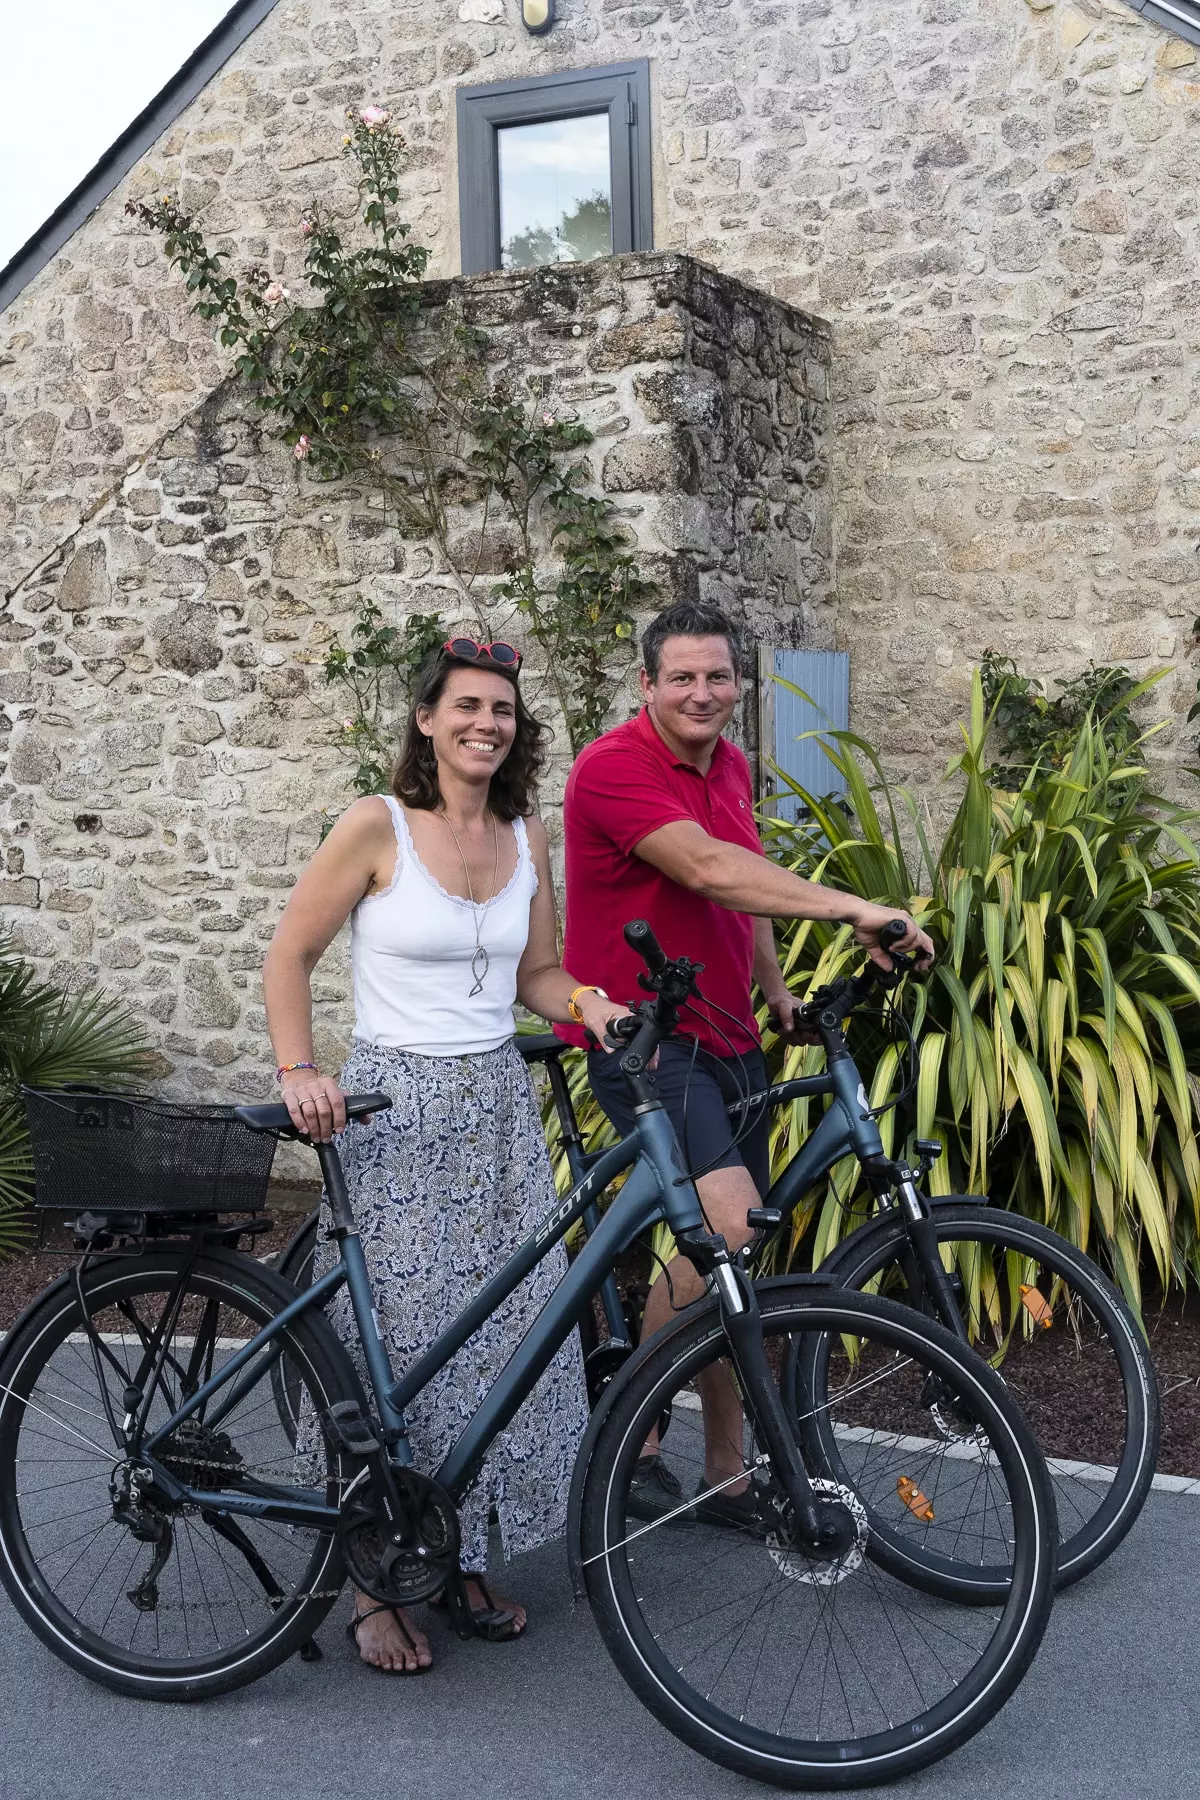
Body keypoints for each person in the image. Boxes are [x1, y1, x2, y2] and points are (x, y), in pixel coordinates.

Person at [263, 638, 627, 1675]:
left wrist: (590, 1003)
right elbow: (290, 952)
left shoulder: (525, 833)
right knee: (403, 1344)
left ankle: (460, 1553)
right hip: (396, 1109)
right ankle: (374, 1585)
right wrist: (299, 1069)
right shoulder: (375, 825)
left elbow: (538, 973)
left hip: (498, 1112)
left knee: (506, 1338)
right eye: (467, 705)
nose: (486, 723)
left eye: (502, 709)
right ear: (427, 719)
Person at [557, 602, 935, 1525]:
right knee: (726, 1232)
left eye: (718, 676)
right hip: (650, 1044)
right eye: (682, 677)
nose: (703, 693)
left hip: (731, 1039)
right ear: (647, 685)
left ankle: (725, 1474)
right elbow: (706, 869)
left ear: (739, 683)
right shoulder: (612, 767)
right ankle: (632, 1439)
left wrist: (775, 994)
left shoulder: (728, 764)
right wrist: (853, 907)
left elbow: (746, 885)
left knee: (735, 1253)